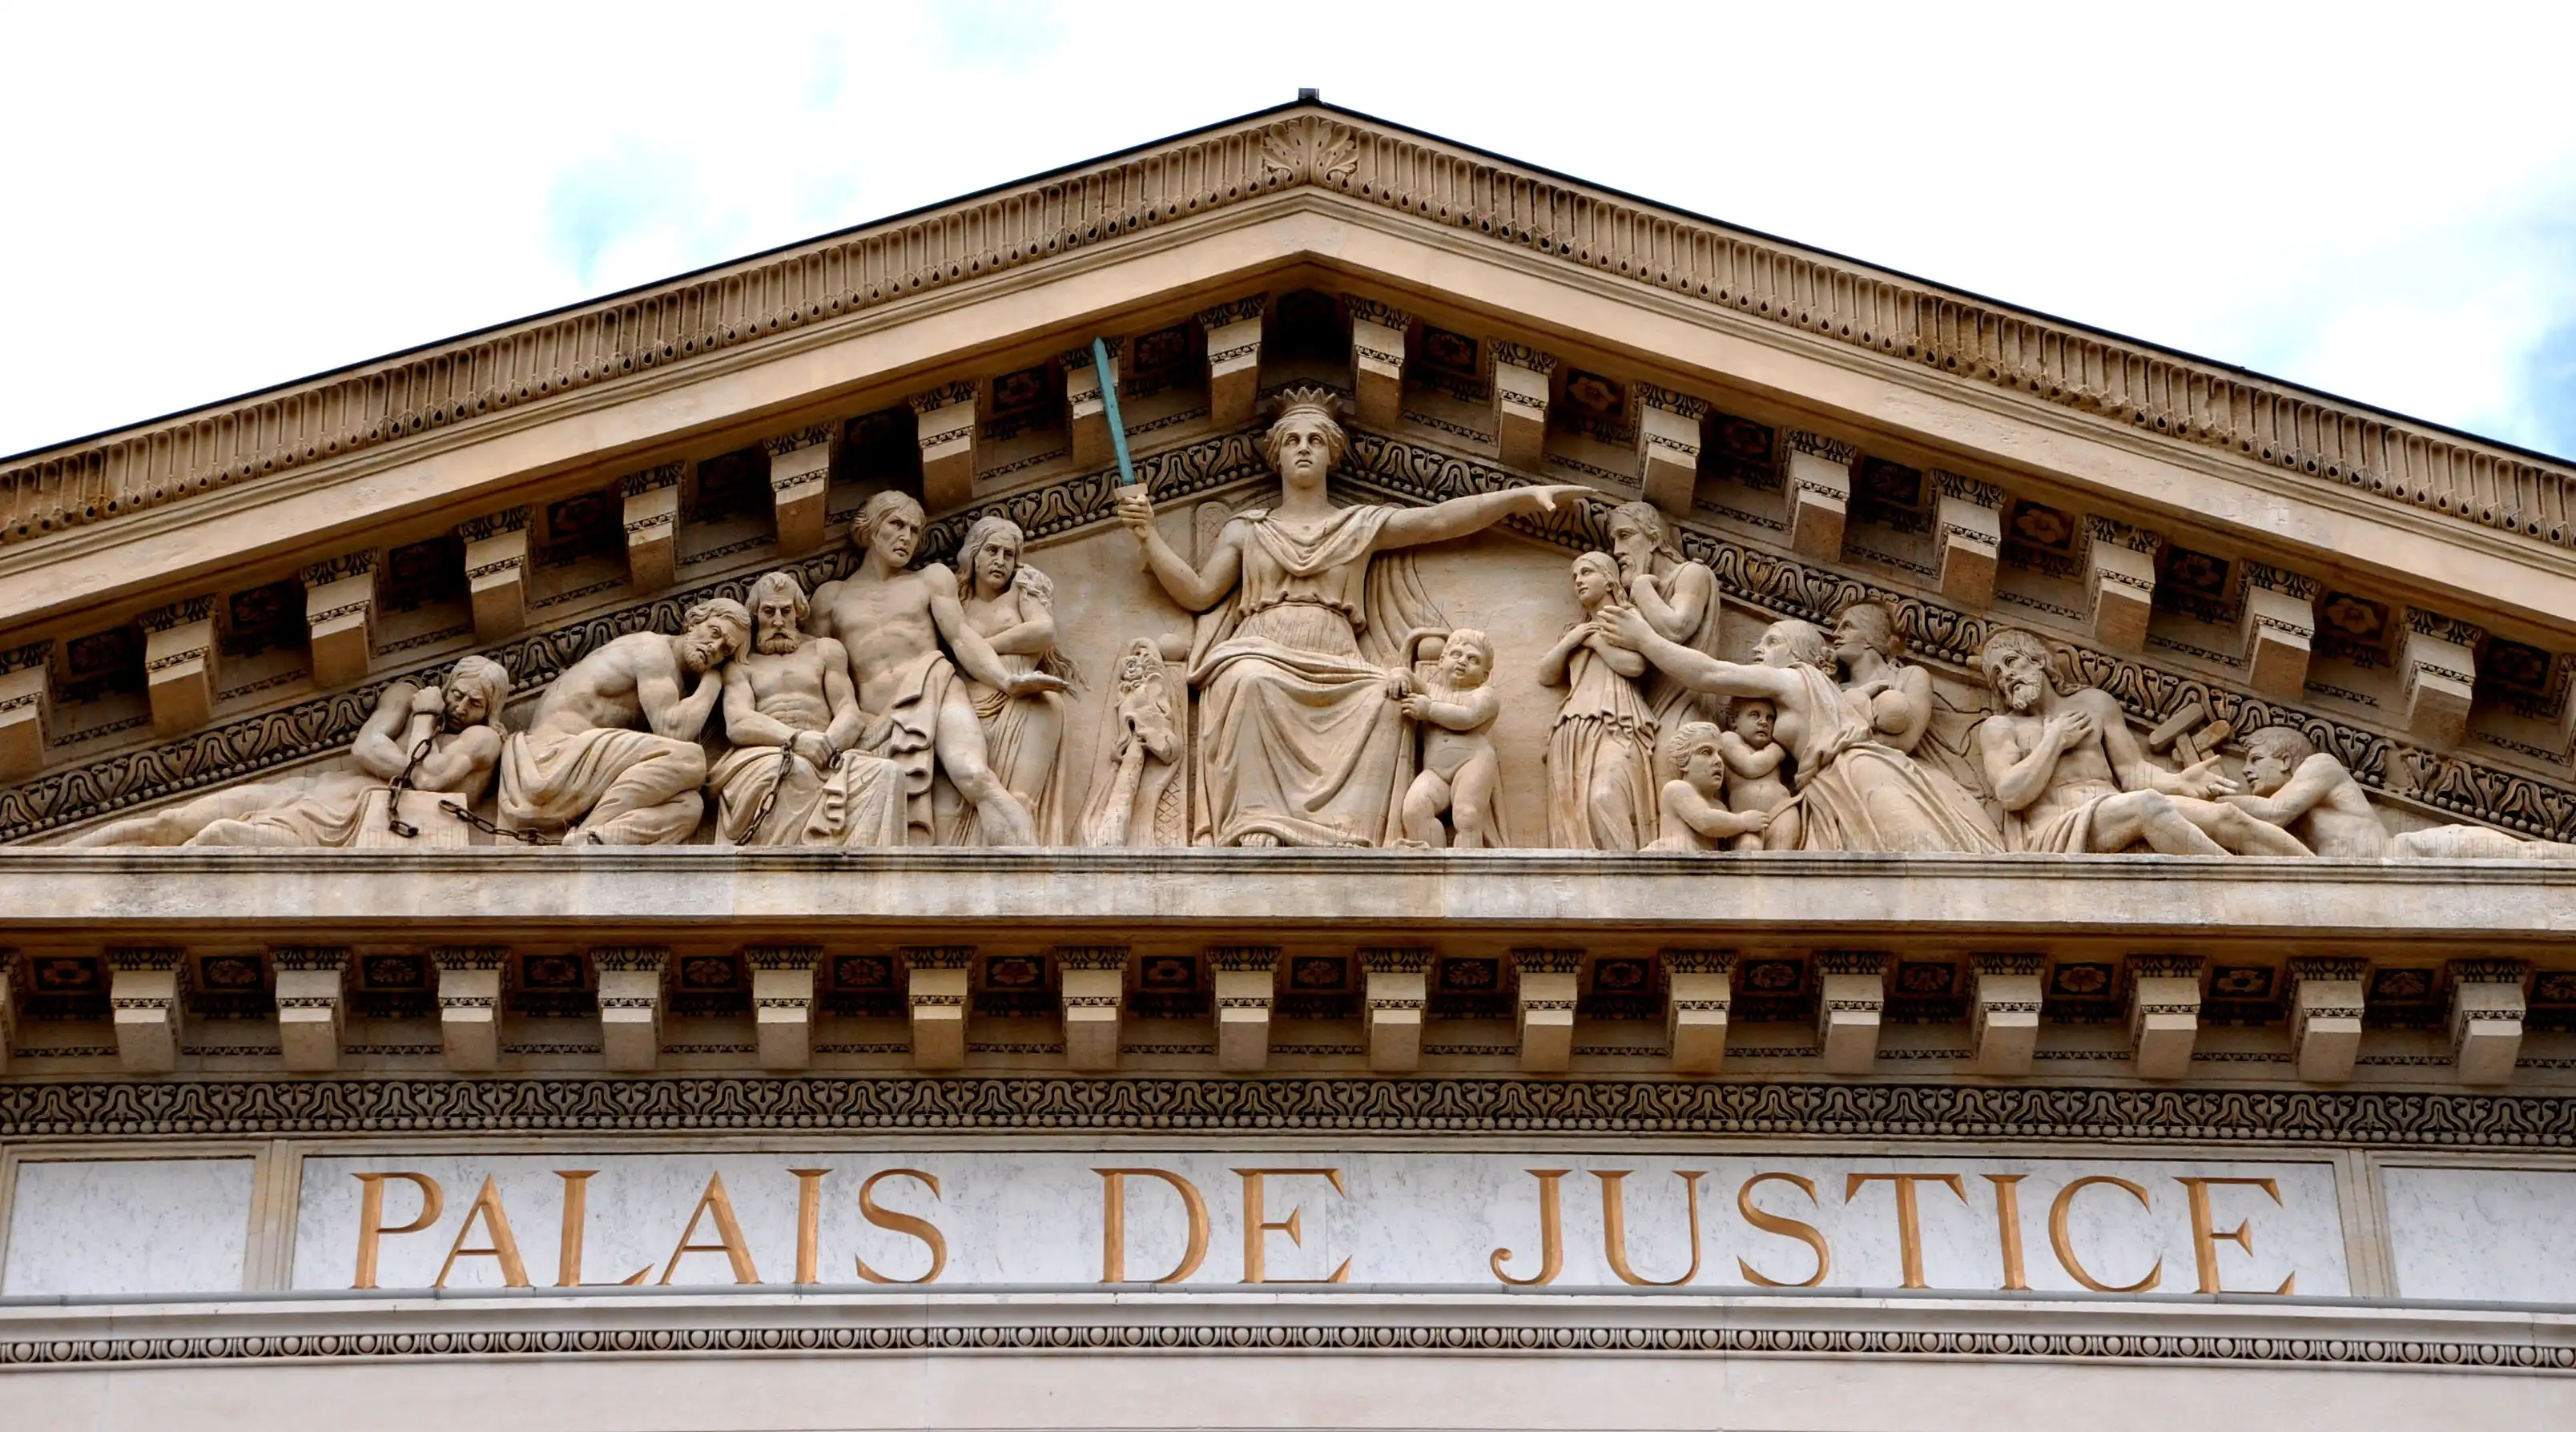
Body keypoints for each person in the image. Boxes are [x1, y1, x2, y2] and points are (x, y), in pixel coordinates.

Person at [1115, 387, 1586, 847]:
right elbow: (1198, 594)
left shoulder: (1360, 525)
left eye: (1315, 440)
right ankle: (1256, 822)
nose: (1303, 448)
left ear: (1332, 455)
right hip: (1261, 645)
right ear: (1277, 456)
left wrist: (1519, 498)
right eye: (1292, 441)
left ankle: (1350, 833)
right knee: (1250, 681)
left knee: (1385, 701)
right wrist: (1148, 535)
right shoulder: (1247, 530)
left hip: (1336, 655)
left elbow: (1439, 520)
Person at [1608, 605, 2004, 852]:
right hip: (1830, 787)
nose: (1758, 650)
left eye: (1771, 642)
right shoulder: (1825, 690)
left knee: (1918, 858)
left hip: (1858, 775)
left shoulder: (1794, 679)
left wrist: (1644, 638)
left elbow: (1708, 673)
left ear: (1796, 652)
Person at [807, 492, 1065, 846]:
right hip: (871, 721)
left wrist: (1006, 681)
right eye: (897, 525)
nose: (906, 537)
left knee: (973, 774)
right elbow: (815, 671)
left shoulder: (930, 579)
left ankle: (1028, 861)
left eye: (914, 530)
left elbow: (960, 638)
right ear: (870, 529)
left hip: (935, 690)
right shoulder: (830, 598)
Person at [70, 657, 509, 847]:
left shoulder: (481, 740)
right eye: (457, 694)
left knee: (217, 836)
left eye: (474, 704)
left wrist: (425, 717)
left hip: (332, 828)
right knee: (173, 820)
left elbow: (428, 780)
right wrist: (414, 746)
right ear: (447, 683)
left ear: (490, 710)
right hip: (312, 790)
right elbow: (366, 746)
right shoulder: (405, 693)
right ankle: (51, 859)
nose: (459, 707)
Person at [1973, 627, 2308, 856]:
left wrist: (2179, 781)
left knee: (2227, 816)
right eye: (1997, 674)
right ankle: (2235, 885)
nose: (2006, 676)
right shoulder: (2001, 727)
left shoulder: (2095, 703)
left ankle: (2318, 877)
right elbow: (2010, 794)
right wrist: (2054, 741)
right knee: (2146, 806)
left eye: (2011, 662)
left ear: (2038, 660)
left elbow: (2132, 772)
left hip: (2114, 808)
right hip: (2058, 829)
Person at [499, 601, 746, 845]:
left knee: (688, 807)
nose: (715, 647)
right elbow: (674, 730)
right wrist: (713, 683)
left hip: (587, 765)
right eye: (714, 632)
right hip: (553, 757)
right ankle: (586, 833)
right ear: (693, 622)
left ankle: (591, 840)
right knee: (690, 759)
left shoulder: (674, 681)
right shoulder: (652, 650)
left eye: (726, 650)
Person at [704, 571, 906, 847]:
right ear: (756, 615)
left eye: (786, 611)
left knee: (887, 773)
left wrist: (826, 747)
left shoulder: (825, 651)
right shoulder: (741, 666)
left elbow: (848, 710)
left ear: (799, 612)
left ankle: (863, 871)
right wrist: (796, 740)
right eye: (769, 611)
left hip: (829, 753)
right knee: (794, 770)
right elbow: (739, 722)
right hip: (768, 753)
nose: (778, 621)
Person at [2224, 725, 2576, 860]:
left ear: (2286, 760)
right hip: (2384, 879)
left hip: (2418, 852)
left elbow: (2273, 813)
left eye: (2256, 759)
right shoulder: (2294, 826)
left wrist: (2210, 797)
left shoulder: (2320, 765)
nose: (2246, 770)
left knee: (2529, 855)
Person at [949, 514, 1077, 844]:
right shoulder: (956, 601)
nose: (1000, 561)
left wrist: (978, 650)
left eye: (1009, 554)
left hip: (1026, 702)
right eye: (992, 550)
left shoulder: (1025, 585)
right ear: (973, 554)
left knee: (1020, 800)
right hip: (968, 708)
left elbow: (1043, 631)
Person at [1541, 553, 1659, 850]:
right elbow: (1547, 675)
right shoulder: (1575, 632)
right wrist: (1573, 639)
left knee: (1604, 796)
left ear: (1609, 580)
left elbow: (1635, 666)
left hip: (1619, 720)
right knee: (1572, 818)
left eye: (1586, 572)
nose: (1578, 581)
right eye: (1575, 577)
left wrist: (1594, 641)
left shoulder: (1628, 617)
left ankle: (1628, 874)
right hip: (1572, 725)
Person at [1605, 500, 1722, 776]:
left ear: (1654, 538)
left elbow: (1676, 628)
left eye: (1625, 535)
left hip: (1682, 708)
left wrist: (1641, 587)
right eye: (1614, 540)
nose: (1617, 550)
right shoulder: (1634, 597)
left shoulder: (1691, 573)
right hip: (1647, 711)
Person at [1394, 628, 1503, 849]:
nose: (1462, 662)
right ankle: (1433, 861)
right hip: (1435, 771)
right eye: (1456, 654)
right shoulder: (1429, 689)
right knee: (1415, 809)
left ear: (1484, 676)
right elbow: (1407, 675)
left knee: (1467, 814)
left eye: (1473, 659)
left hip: (1473, 762)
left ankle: (1467, 863)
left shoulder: (1484, 695)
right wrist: (1398, 676)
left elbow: (1468, 717)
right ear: (1441, 661)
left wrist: (1429, 710)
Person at [1646, 720, 1772, 853]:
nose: (1718, 761)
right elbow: (1704, 821)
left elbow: (1725, 841)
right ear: (1683, 761)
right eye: (1706, 752)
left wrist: (1749, 839)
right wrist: (1743, 821)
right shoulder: (1677, 788)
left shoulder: (1719, 806)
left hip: (1702, 862)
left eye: (1720, 754)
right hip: (1677, 858)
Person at [1830, 599, 1933, 754]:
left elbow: (1906, 742)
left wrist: (1842, 741)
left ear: (1871, 635)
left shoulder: (1911, 676)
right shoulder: (1834, 689)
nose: (1835, 634)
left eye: (1847, 626)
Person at [1716, 697, 1794, 851]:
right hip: (1747, 818)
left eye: (1770, 718)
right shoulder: (1729, 739)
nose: (1764, 722)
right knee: (1749, 847)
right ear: (1733, 721)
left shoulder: (1772, 750)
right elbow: (1750, 766)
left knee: (1782, 855)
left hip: (1782, 810)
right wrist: (1779, 749)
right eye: (1754, 715)